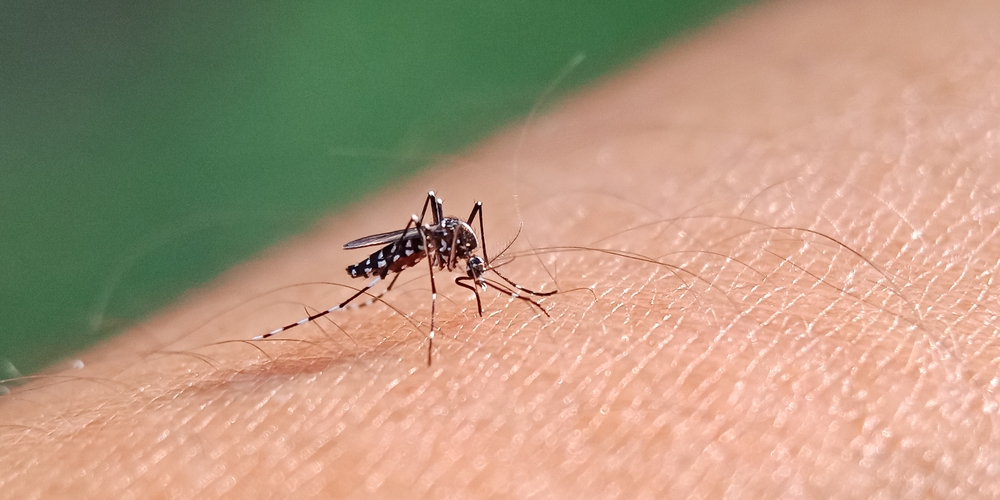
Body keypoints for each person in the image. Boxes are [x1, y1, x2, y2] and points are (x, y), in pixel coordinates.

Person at [4, 0, 999, 497]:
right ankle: (339, 311)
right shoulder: (430, 249)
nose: (464, 268)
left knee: (438, 228)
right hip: (396, 251)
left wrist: (469, 273)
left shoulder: (455, 237)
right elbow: (428, 247)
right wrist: (431, 294)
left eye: (466, 266)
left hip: (416, 239)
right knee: (387, 275)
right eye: (468, 266)